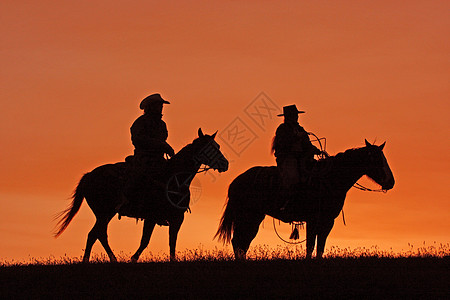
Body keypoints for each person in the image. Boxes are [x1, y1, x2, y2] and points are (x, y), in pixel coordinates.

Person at [120, 93, 175, 216]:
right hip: (144, 157)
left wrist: (165, 147)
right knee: (139, 175)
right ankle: (126, 202)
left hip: (158, 158)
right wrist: (162, 146)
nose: (161, 108)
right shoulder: (140, 122)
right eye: (158, 105)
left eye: (161, 105)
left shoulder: (162, 124)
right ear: (151, 107)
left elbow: (162, 139)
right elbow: (138, 139)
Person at [272, 104, 321, 207]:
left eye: (296, 115)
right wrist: (295, 137)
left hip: (302, 158)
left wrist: (315, 150)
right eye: (294, 115)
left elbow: (307, 143)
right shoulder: (282, 129)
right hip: (287, 158)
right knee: (292, 176)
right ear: (288, 116)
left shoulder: (300, 129)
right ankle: (287, 201)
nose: (296, 117)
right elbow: (282, 144)